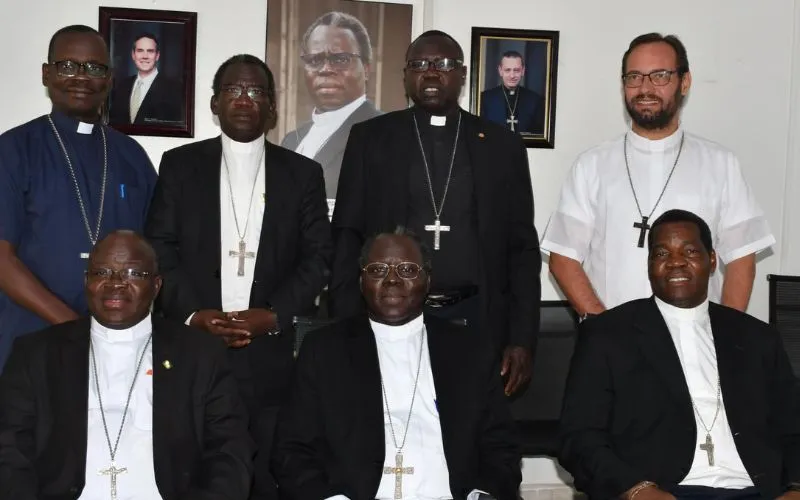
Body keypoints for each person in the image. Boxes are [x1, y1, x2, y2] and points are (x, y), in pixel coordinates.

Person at [145, 53, 332, 500]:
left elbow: (318, 258)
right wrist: (194, 314)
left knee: (265, 471)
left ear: (272, 107)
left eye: (256, 91)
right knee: (194, 467)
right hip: (193, 347)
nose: (244, 100)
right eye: (233, 89)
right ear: (215, 103)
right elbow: (159, 249)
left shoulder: (302, 174)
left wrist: (273, 315)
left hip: (269, 352)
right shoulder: (179, 165)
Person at [330, 30, 541, 397]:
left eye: (442, 64)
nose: (430, 72)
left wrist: (521, 338)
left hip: (476, 317)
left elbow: (521, 249)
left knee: (468, 424)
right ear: (405, 76)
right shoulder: (370, 138)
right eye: (419, 64)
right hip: (388, 317)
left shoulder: (501, 145)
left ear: (462, 74)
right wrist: (347, 326)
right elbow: (346, 237)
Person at [559, 210, 800, 500]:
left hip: (756, 490)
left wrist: (796, 488)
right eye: (662, 253)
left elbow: (793, 426)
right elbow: (579, 437)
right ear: (649, 265)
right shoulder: (608, 335)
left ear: (712, 260)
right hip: (661, 490)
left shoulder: (757, 337)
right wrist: (635, 490)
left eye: (690, 251)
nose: (675, 262)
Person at [0, 230, 254, 499]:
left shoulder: (200, 355)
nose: (115, 283)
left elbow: (230, 451)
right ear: (86, 281)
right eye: (102, 272)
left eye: (133, 273)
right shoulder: (36, 354)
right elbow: (9, 452)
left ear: (156, 286)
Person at [273, 229, 521, 500]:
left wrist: (482, 494)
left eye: (408, 270)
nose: (392, 279)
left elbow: (501, 445)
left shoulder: (469, 350)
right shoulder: (323, 350)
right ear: (361, 281)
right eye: (378, 270)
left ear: (427, 281)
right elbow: (292, 450)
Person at [540, 33, 774, 318]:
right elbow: (563, 257)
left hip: (696, 335)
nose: (645, 88)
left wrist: (726, 334)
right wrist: (604, 328)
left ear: (684, 82)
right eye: (634, 77)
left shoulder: (720, 164)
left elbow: (742, 257)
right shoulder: (591, 165)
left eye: (660, 76)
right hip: (614, 333)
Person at [0, 25, 157, 371]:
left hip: (117, 347)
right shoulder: (12, 149)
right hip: (29, 339)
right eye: (68, 66)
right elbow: (2, 260)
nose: (81, 77)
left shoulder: (131, 156)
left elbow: (156, 253)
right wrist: (74, 326)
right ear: (47, 73)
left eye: (94, 68)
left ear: (110, 79)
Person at [280, 11, 382, 205]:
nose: (326, 69)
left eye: (341, 59)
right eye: (314, 60)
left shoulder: (385, 134)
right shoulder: (291, 140)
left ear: (367, 69)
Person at [109, 33, 183, 126]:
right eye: (140, 51)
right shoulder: (123, 86)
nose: (145, 56)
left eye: (150, 51)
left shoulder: (174, 88)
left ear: (157, 56)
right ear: (133, 55)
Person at [480, 50, 545, 135]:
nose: (512, 75)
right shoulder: (485, 98)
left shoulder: (535, 100)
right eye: (507, 70)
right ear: (500, 71)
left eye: (516, 70)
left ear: (523, 71)